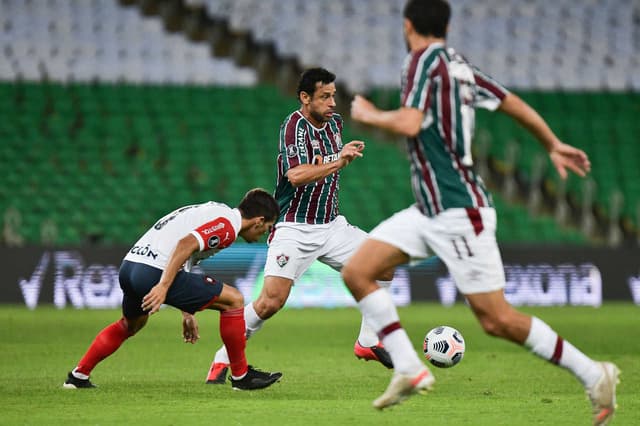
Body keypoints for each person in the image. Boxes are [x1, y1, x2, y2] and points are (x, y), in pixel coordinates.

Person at [342, 1, 620, 424]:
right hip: (430, 209)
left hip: (458, 209)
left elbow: (412, 123)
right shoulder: (458, 66)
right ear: (447, 25)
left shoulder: (422, 60)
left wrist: (370, 115)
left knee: (497, 319)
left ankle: (594, 373)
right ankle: (408, 367)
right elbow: (510, 102)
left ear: (408, 25)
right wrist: (550, 142)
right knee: (358, 270)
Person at [206, 68, 396, 384]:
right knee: (270, 303)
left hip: (332, 226)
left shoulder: (335, 124)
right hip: (294, 227)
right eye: (325, 96)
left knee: (385, 264)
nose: (333, 102)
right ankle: (222, 358)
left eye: (334, 95)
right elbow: (295, 176)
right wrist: (340, 160)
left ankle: (367, 342)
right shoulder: (294, 127)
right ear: (305, 98)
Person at [63, 188, 283, 391]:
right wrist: (163, 286)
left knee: (130, 324)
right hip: (153, 271)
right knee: (233, 300)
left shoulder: (214, 211)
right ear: (258, 221)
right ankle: (240, 376)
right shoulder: (227, 226)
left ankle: (78, 376)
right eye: (268, 228)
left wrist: (187, 311)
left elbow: (185, 256)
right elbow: (185, 245)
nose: (265, 233)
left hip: (130, 267)